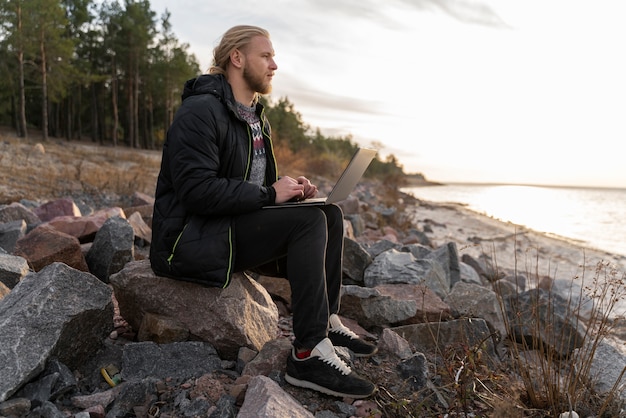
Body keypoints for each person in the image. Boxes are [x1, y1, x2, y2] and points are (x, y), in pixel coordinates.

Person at [150, 25, 376, 399]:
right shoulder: (201, 111)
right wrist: (270, 193)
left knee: (329, 214)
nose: (274, 64)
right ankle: (306, 354)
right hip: (189, 238)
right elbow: (196, 191)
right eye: (266, 56)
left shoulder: (255, 117)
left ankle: (325, 320)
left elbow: (251, 190)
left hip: (227, 227)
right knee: (309, 222)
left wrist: (288, 191)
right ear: (236, 59)